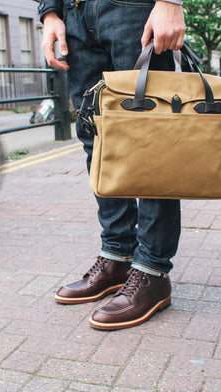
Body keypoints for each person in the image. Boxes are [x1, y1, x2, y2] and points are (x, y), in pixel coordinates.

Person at [39, 0, 185, 330]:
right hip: (73, 15)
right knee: (97, 139)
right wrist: (49, 13)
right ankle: (118, 257)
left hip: (133, 9)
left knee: (151, 138)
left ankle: (152, 271)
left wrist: (170, 2)